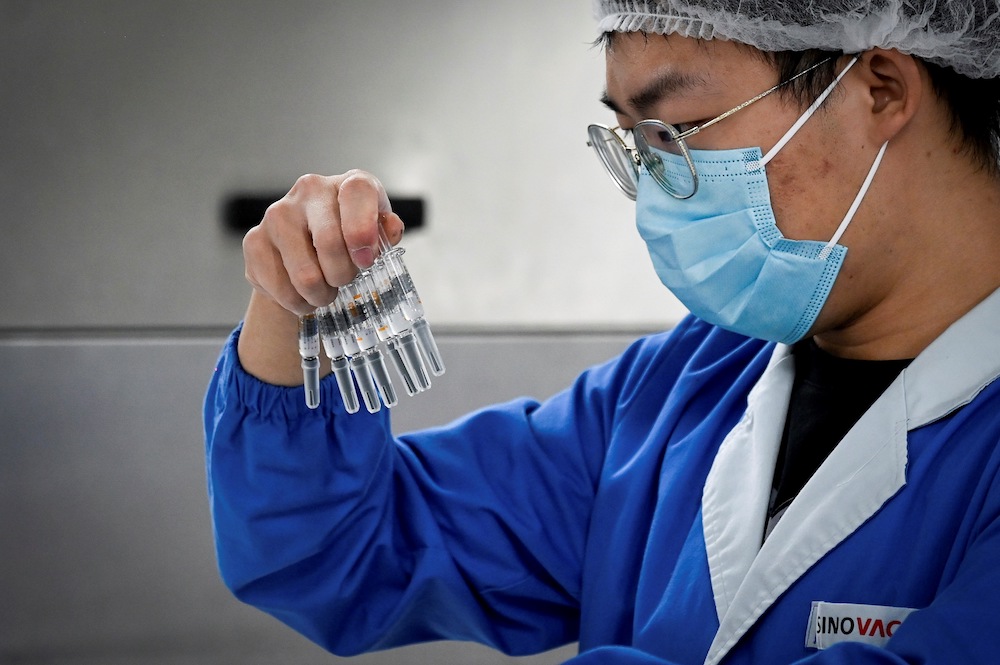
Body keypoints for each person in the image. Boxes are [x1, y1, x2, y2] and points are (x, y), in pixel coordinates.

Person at [204, 1, 1000, 663]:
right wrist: (295, 300)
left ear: (882, 88)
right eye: (636, 144)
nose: (654, 194)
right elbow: (336, 554)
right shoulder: (681, 393)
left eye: (678, 131)